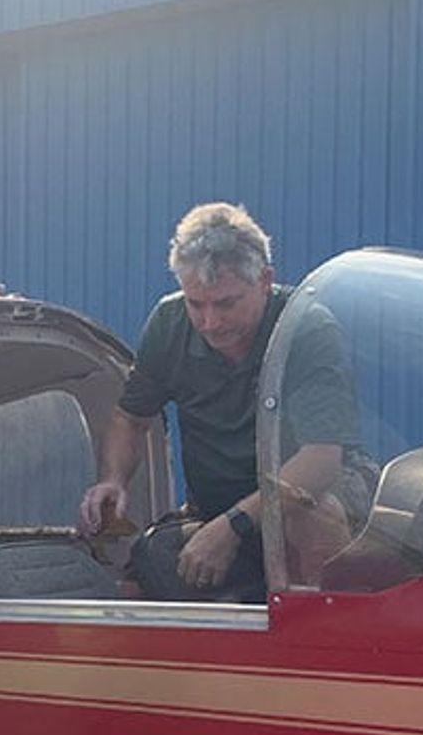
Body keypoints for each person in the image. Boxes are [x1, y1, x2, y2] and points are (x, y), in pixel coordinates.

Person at [78, 202, 364, 600]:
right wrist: (113, 480)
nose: (210, 322)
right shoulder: (169, 323)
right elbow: (131, 419)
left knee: (311, 520)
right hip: (216, 507)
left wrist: (233, 526)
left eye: (226, 303)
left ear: (265, 281)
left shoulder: (305, 327)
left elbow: (320, 459)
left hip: (311, 497)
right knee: (142, 574)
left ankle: (319, 637)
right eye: (197, 304)